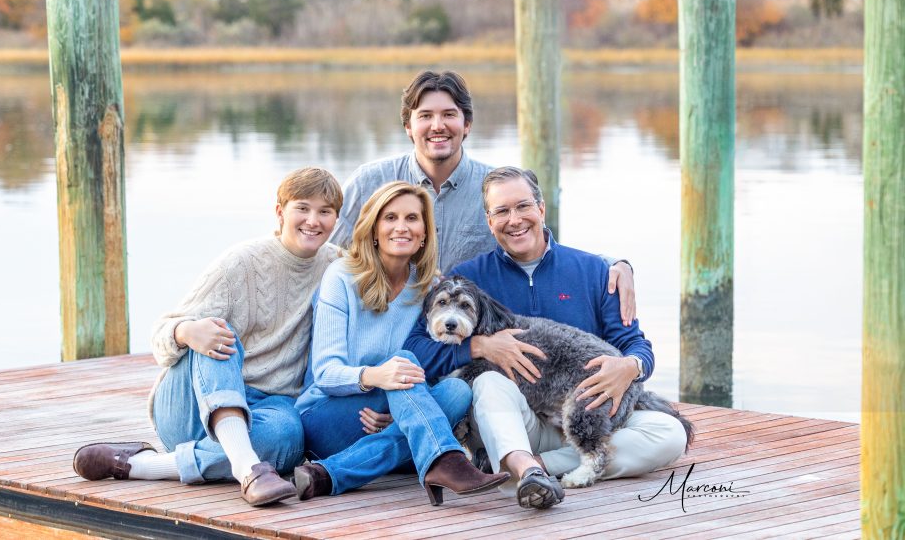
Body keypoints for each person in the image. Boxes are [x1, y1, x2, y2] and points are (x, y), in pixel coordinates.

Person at [404, 167, 688, 510]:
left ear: (541, 208)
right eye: (502, 211)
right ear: (489, 221)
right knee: (487, 383)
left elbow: (635, 343)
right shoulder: (469, 279)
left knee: (669, 434)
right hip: (513, 418)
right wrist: (478, 345)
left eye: (523, 206)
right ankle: (525, 461)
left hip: (583, 409)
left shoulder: (595, 272)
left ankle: (533, 469)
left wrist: (630, 365)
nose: (515, 220)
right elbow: (417, 347)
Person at [72, 167, 345, 506]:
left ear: (336, 218)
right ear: (280, 212)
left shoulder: (338, 267)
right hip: (189, 407)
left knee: (288, 437)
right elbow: (161, 335)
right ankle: (248, 468)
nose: (313, 220)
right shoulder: (240, 262)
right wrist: (186, 331)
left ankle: (141, 465)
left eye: (325, 211)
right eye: (302, 208)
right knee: (216, 331)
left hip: (267, 408)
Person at [331, 69, 638, 322]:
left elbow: (540, 247)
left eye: (449, 115)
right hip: (380, 325)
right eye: (425, 116)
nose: (437, 126)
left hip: (460, 333)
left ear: (467, 125)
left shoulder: (494, 192)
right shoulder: (369, 182)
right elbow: (328, 254)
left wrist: (615, 264)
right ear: (408, 127)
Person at [293, 181, 510, 505]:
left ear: (424, 232)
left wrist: (401, 413)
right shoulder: (341, 277)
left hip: (396, 414)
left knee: (457, 391)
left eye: (412, 218)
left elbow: (431, 370)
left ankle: (326, 476)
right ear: (374, 229)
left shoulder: (428, 288)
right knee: (405, 359)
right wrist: (377, 377)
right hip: (327, 413)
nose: (401, 227)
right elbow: (325, 373)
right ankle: (446, 460)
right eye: (390, 218)